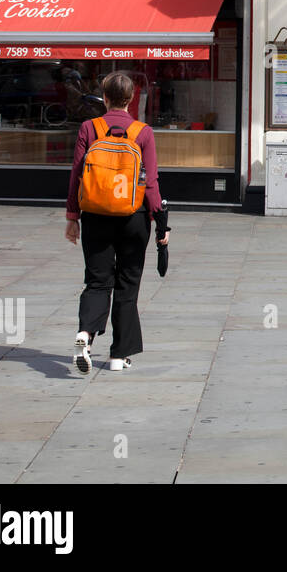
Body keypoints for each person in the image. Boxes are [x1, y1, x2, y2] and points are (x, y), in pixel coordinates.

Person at [64, 72, 169, 373]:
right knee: (127, 285)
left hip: (96, 215)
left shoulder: (89, 127)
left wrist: (73, 217)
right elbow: (151, 183)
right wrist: (160, 222)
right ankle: (118, 357)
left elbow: (76, 176)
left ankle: (85, 333)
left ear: (104, 98)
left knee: (97, 281)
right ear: (131, 99)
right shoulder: (143, 132)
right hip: (133, 217)